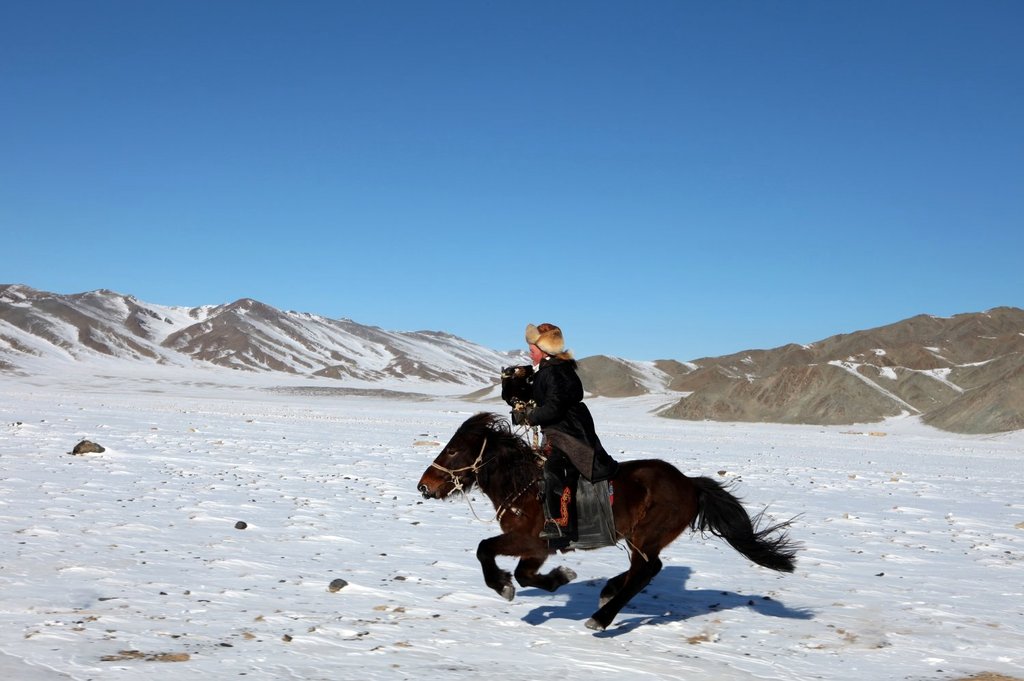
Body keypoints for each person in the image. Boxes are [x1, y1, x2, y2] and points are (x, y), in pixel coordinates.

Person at [512, 323, 618, 540]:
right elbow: (539, 398)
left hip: (569, 431)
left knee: (554, 468)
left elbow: (554, 407)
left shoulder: (556, 372)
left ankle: (562, 523)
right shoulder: (550, 369)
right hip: (559, 429)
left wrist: (529, 416)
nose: (530, 355)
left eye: (532, 351)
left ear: (543, 350)